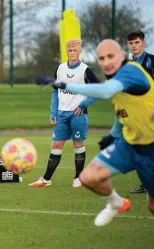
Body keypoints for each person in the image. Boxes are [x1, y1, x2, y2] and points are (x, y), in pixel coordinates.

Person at [36, 39, 154, 227]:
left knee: (152, 206)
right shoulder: (115, 79)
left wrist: (63, 84)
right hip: (130, 144)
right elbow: (122, 111)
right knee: (88, 178)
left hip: (151, 148)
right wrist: (114, 135)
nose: (106, 61)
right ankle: (116, 203)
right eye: (102, 58)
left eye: (110, 56)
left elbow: (105, 92)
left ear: (122, 56)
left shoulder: (131, 72)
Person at [29, 39, 99, 188]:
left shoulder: (86, 70)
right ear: (66, 51)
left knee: (78, 144)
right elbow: (55, 92)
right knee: (56, 144)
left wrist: (84, 104)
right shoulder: (60, 69)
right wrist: (53, 112)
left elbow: (97, 91)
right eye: (70, 50)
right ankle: (46, 179)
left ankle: (78, 178)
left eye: (75, 50)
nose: (72, 53)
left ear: (80, 52)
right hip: (61, 114)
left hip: (78, 114)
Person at [125, 30, 154, 194]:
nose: (134, 46)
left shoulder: (151, 61)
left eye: (137, 42)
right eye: (131, 43)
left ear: (143, 43)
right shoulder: (129, 65)